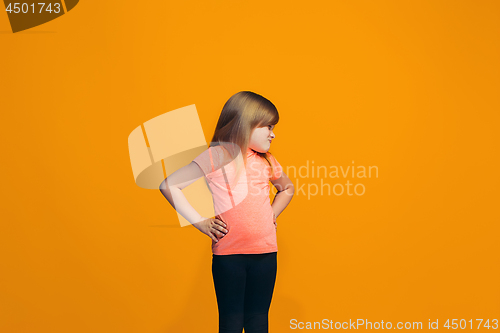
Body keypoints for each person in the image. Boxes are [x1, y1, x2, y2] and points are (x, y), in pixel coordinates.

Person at [159, 91, 295, 333]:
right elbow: (169, 185)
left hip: (266, 254)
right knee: (231, 322)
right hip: (229, 256)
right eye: (268, 126)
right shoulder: (217, 156)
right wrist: (200, 222)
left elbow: (287, 188)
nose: (273, 133)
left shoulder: (267, 160)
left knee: (258, 320)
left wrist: (271, 213)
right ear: (245, 123)